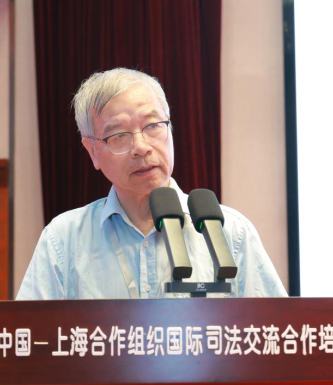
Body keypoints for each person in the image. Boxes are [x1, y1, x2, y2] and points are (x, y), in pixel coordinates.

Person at [16, 68, 287, 300]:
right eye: (119, 135)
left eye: (153, 125)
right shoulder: (63, 240)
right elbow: (26, 337)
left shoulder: (230, 233)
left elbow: (276, 332)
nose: (141, 147)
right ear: (92, 151)